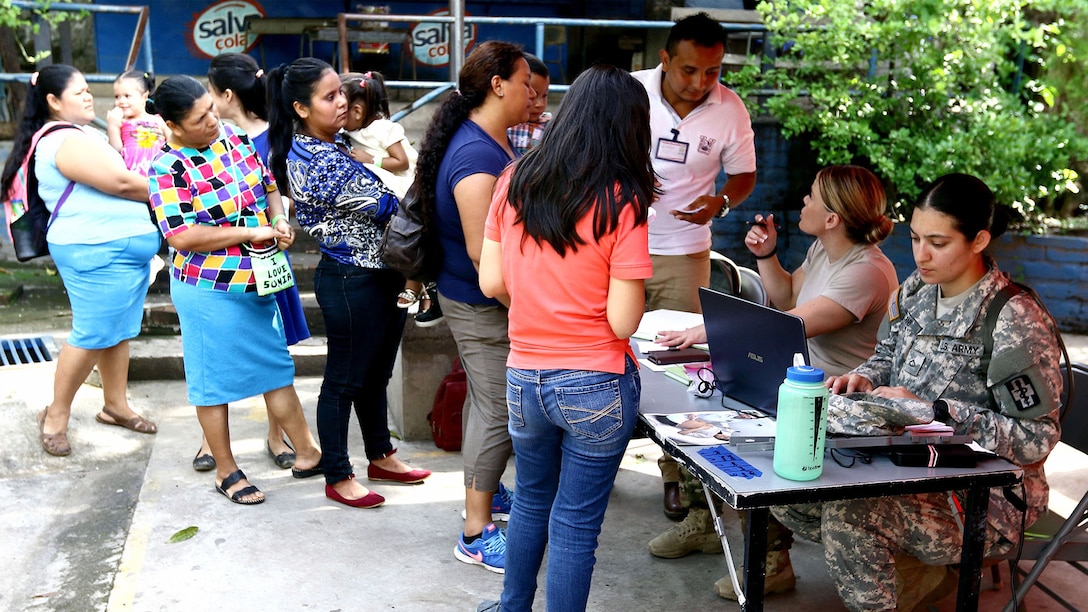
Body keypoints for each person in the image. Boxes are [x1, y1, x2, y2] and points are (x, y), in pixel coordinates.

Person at [778, 173, 1064, 611]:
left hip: (984, 498)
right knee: (790, 492)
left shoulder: (1014, 319)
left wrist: (934, 412)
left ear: (979, 240)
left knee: (849, 515)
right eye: (914, 238)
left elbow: (1035, 439)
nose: (921, 255)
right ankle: (920, 576)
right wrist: (863, 379)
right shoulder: (915, 290)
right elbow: (884, 356)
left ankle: (911, 581)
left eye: (938, 242)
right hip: (908, 463)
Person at [650, 165, 899, 600]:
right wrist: (767, 257)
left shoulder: (867, 272)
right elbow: (784, 297)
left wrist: (709, 331)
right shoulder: (824, 251)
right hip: (795, 378)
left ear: (833, 218)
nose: (803, 201)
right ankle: (705, 523)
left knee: (739, 430)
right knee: (701, 411)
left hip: (833, 397)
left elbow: (788, 325)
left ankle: (773, 562)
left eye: (812, 196)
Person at [475, 64, 655, 612]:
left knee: (530, 501)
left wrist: (540, 309)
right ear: (631, 128)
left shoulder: (515, 180)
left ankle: (512, 607)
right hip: (596, 381)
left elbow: (491, 282)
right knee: (576, 525)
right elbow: (623, 323)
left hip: (524, 375)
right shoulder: (622, 199)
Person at [146, 75, 322, 505]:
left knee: (275, 366)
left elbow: (268, 186)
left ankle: (310, 453)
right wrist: (251, 229)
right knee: (212, 382)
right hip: (207, 288)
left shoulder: (234, 137)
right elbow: (182, 237)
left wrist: (278, 219)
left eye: (211, 108)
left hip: (259, 277)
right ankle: (226, 469)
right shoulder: (166, 167)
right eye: (199, 117)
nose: (213, 119)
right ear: (173, 125)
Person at [267, 58, 431, 510]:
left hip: (383, 273)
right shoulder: (316, 159)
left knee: (376, 374)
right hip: (350, 278)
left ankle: (381, 455)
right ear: (301, 108)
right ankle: (338, 474)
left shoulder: (339, 142)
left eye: (341, 92)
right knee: (344, 380)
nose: (343, 102)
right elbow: (389, 207)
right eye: (330, 96)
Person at [632, 11, 757, 520]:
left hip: (685, 253)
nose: (702, 83)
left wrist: (721, 202)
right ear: (664, 60)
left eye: (713, 71)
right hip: (619, 247)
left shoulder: (730, 109)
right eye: (689, 70)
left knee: (680, 371)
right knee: (608, 352)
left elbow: (744, 174)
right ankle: (593, 458)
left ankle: (676, 475)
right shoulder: (630, 93)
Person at [414, 40, 534, 573]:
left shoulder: (490, 141)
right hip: (483, 302)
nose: (533, 91)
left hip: (479, 298)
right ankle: (474, 530)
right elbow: (483, 253)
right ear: (498, 84)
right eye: (526, 80)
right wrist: (527, 307)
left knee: (484, 403)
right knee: (500, 409)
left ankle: (485, 493)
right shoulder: (477, 157)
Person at [1, 65, 161, 457]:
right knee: (91, 333)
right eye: (80, 92)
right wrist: (182, 189)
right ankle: (55, 414)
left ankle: (115, 405)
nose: (90, 96)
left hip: (119, 251)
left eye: (90, 90)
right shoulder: (63, 141)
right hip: (94, 251)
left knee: (118, 330)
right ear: (54, 101)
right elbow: (122, 183)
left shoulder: (85, 135)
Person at [186, 52, 312, 473]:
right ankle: (213, 444)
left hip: (267, 262)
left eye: (208, 96)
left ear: (224, 94)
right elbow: (182, 232)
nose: (207, 109)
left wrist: (278, 219)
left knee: (272, 355)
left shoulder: (259, 138)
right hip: (221, 272)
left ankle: (278, 436)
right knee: (217, 358)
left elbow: (278, 188)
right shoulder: (188, 155)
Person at [339, 71, 442, 328]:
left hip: (407, 189)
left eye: (343, 110)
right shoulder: (352, 132)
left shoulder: (383, 129)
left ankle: (417, 284)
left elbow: (402, 161)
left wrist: (369, 159)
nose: (339, 117)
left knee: (412, 237)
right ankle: (418, 287)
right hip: (391, 190)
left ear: (359, 111)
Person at [106, 69, 168, 176]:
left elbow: (174, 143)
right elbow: (116, 151)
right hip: (132, 174)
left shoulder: (158, 120)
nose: (121, 101)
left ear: (144, 96)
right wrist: (112, 126)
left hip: (159, 172)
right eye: (117, 96)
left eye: (127, 96)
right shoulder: (120, 122)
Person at [505, 52, 551, 156]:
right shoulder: (505, 125)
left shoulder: (550, 127)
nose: (540, 104)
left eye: (544, 95)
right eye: (533, 95)